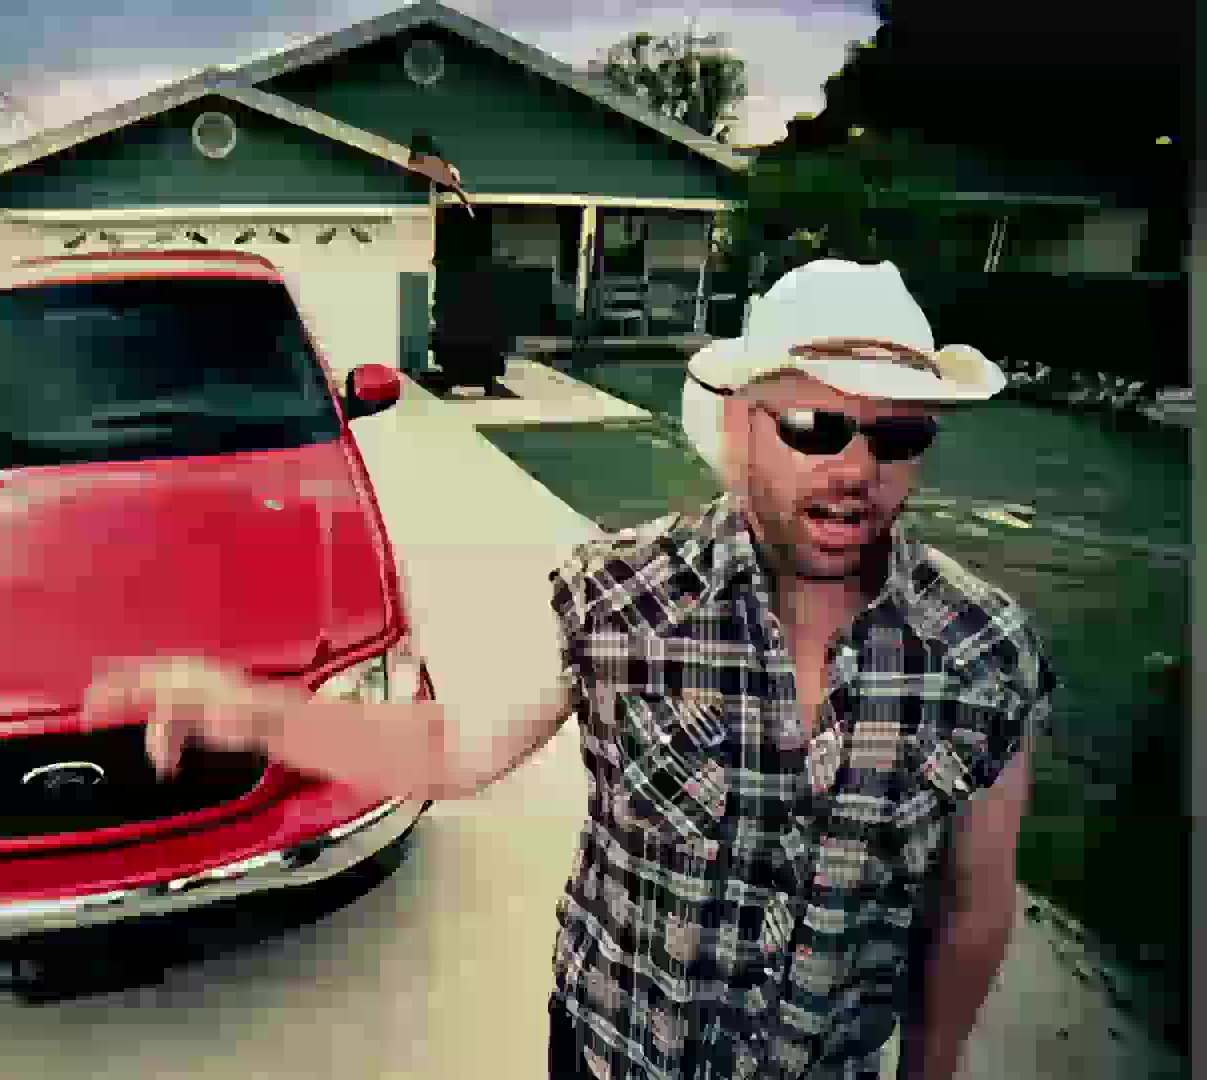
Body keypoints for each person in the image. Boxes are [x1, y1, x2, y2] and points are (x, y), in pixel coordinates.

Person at [83, 260, 1055, 1080]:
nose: (857, 470)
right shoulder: (618, 594)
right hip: (613, 1055)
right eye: (816, 426)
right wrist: (249, 712)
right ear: (741, 424)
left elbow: (972, 905)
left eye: (899, 437)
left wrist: (928, 1071)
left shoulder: (983, 651)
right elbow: (455, 750)